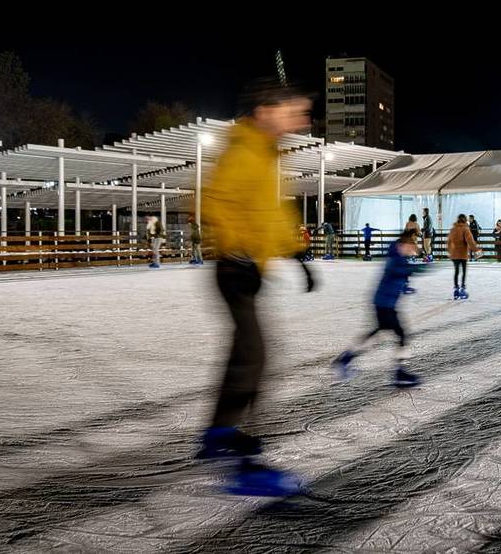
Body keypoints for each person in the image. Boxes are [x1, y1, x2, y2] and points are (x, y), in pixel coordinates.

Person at [196, 82, 315, 497]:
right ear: (266, 111)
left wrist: (298, 252)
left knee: (243, 354)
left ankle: (218, 433)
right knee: (255, 356)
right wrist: (237, 248)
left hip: (248, 269)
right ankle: (246, 465)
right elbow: (212, 201)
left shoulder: (267, 155)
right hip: (234, 268)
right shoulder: (242, 150)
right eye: (294, 112)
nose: (302, 122)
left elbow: (275, 213)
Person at [333, 228, 426, 387]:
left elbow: (401, 274)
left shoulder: (399, 256)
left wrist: (406, 282)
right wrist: (415, 269)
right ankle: (399, 373)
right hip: (384, 304)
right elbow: (395, 270)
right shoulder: (395, 257)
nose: (414, 249)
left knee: (378, 334)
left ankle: (345, 359)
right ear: (404, 244)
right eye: (412, 245)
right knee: (401, 335)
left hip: (384, 303)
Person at [448, 214, 480, 299]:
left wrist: (450, 251)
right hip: (462, 254)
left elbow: (449, 241)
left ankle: (456, 289)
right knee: (464, 271)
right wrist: (477, 251)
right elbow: (470, 241)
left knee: (456, 271)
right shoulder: (465, 229)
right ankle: (462, 288)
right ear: (465, 220)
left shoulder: (453, 229)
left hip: (454, 254)